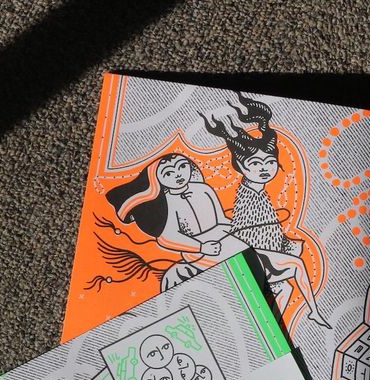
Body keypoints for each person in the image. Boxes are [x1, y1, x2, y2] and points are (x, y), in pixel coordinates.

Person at [202, 94, 330, 327]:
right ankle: (314, 311)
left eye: (269, 162)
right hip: (250, 251)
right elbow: (249, 232)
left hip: (263, 250)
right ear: (241, 166)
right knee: (297, 265)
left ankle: (267, 331)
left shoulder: (260, 191)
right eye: (255, 164)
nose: (264, 168)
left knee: (285, 290)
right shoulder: (248, 193)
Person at [105, 153, 247, 290]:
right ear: (157, 179)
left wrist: (240, 230)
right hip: (197, 249)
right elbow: (166, 238)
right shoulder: (166, 203)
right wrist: (201, 247)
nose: (178, 175)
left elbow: (221, 219)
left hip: (223, 237)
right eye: (168, 173)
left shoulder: (204, 189)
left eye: (182, 166)